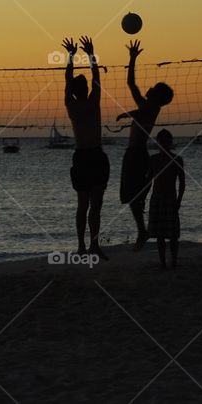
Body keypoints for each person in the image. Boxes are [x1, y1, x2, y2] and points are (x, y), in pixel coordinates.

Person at [116, 40, 174, 251]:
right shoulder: (148, 105)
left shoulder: (150, 108)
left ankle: (142, 230)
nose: (148, 89)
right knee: (134, 196)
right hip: (135, 153)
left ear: (157, 97)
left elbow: (140, 112)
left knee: (133, 196)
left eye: (154, 89)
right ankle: (143, 229)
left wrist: (125, 113)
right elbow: (132, 84)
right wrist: (132, 59)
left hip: (137, 154)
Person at [63, 35, 109, 259]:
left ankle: (83, 246)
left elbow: (67, 79)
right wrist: (91, 54)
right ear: (84, 89)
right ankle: (92, 246)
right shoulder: (92, 102)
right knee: (95, 206)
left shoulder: (71, 104)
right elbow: (97, 78)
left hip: (82, 157)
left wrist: (71, 56)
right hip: (94, 156)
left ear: (73, 90)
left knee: (83, 205)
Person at [147, 130, 185, 269]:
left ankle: (174, 261)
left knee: (173, 234)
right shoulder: (153, 159)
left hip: (170, 197)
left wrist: (179, 200)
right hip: (156, 198)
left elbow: (182, 182)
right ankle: (163, 263)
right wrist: (142, 197)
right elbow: (148, 180)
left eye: (166, 141)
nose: (163, 143)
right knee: (159, 234)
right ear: (158, 142)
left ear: (170, 142)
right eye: (161, 141)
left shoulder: (177, 159)